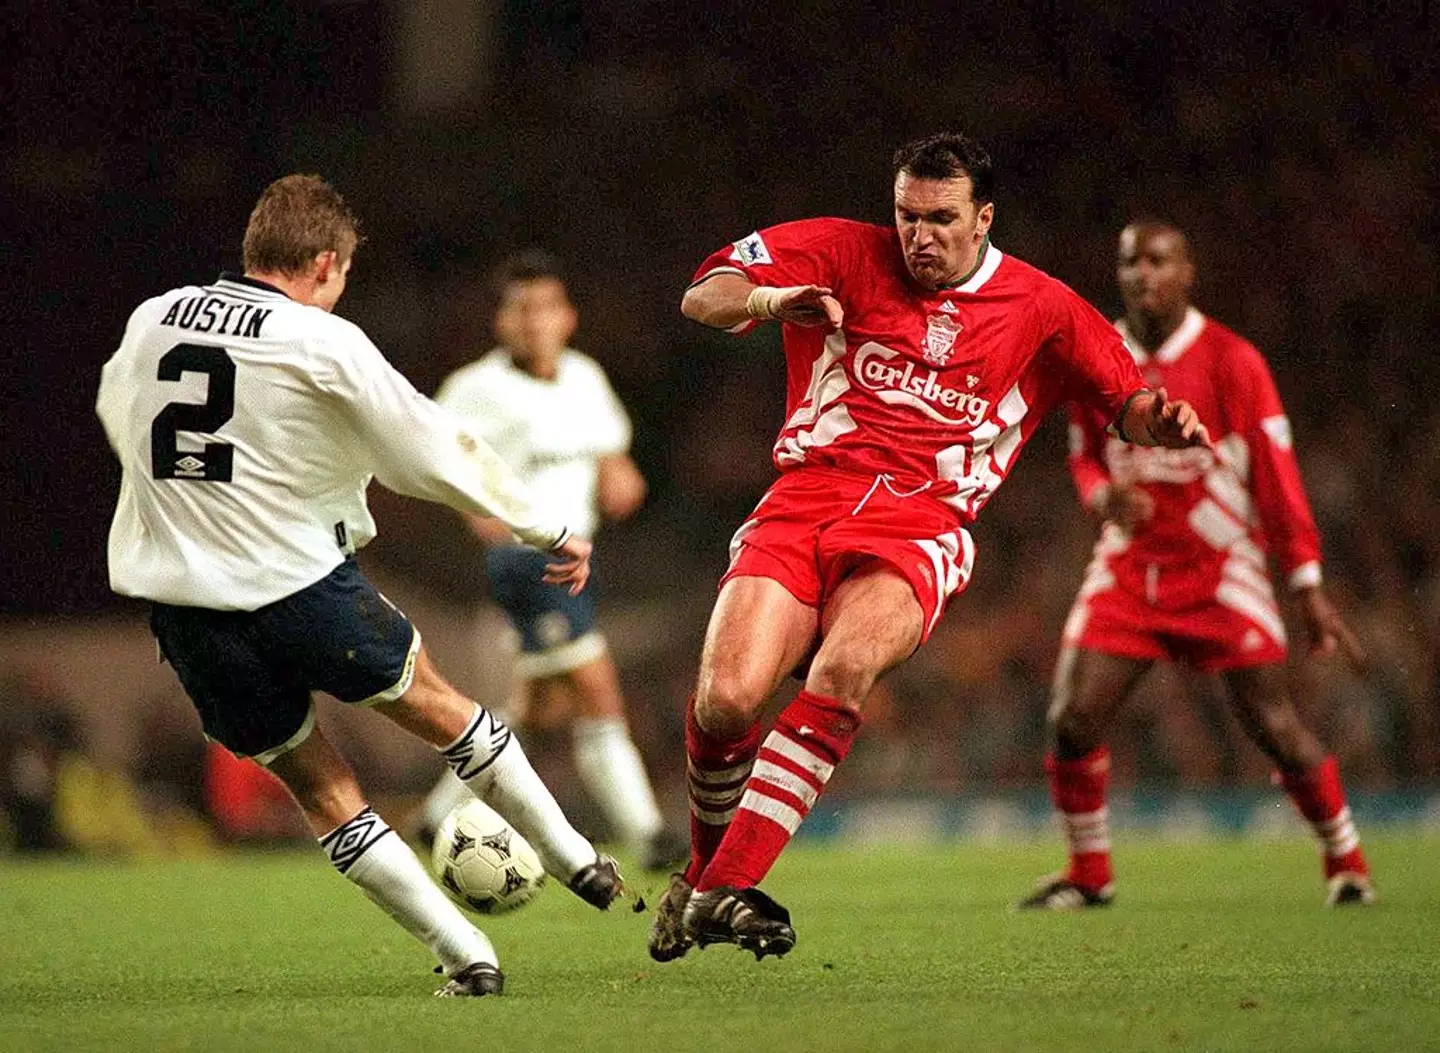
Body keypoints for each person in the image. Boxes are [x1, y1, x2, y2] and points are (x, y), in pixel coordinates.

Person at [649, 132, 1211, 963]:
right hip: (805, 500)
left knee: (845, 668)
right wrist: (772, 302)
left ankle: (722, 884)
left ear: (983, 219)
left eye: (942, 219)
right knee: (725, 702)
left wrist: (1160, 420)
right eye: (908, 216)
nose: (920, 235)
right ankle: (706, 880)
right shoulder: (843, 249)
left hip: (921, 524)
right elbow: (704, 293)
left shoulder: (1044, 306)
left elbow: (1126, 399)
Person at [95, 174, 623, 999]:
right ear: (324, 264)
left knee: (320, 789)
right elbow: (430, 448)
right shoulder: (319, 338)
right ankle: (576, 857)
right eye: (342, 275)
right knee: (444, 710)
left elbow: (117, 410)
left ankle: (466, 954)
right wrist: (543, 523)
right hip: (301, 585)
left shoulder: (153, 317)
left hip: (189, 612)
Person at [1018, 220, 1374, 910]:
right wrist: (1104, 497)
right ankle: (1090, 874)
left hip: (1220, 568)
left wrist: (1306, 583)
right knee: (1072, 718)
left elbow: (1276, 476)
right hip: (1131, 566)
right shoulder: (1101, 353)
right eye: (1131, 262)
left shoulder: (1232, 361)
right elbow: (1085, 456)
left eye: (1158, 261)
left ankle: (1347, 861)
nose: (1143, 274)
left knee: (1274, 726)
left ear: (1188, 273)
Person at [413, 250, 686, 871]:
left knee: (534, 710)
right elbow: (436, 464)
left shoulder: (585, 377)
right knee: (597, 688)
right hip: (527, 560)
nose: (534, 320)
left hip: (580, 557)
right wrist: (477, 514)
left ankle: (434, 818)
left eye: (546, 307)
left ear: (568, 317)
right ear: (501, 321)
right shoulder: (474, 389)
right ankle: (647, 835)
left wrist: (621, 478)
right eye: (521, 308)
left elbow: (612, 458)